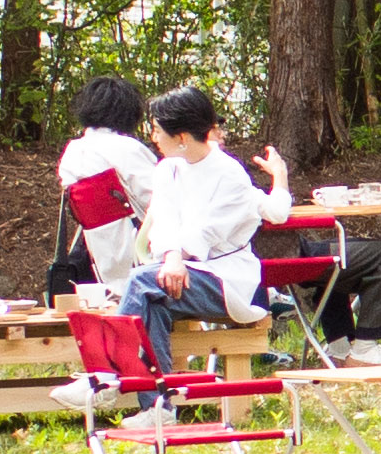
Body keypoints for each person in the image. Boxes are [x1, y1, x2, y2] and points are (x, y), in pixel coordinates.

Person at [125, 84, 271, 404]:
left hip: (228, 279)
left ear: (181, 137)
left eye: (157, 130)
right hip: (181, 269)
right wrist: (172, 257)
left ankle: (109, 375)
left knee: (140, 281)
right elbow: (164, 220)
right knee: (152, 303)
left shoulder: (230, 174)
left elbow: (206, 233)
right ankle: (158, 407)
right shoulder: (167, 169)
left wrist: (175, 257)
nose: (153, 137)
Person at [47, 74, 157, 297]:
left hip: (97, 256)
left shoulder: (72, 151)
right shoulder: (127, 148)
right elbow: (159, 199)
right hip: (141, 254)